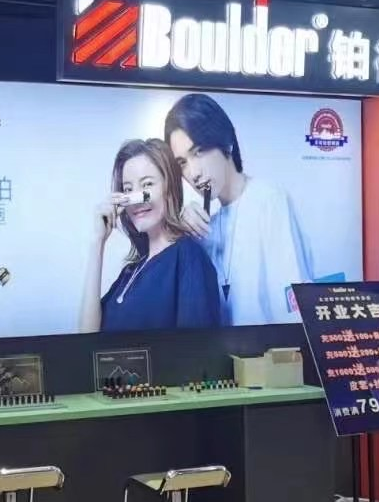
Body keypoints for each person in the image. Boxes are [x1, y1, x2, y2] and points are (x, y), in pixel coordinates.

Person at [163, 93, 312, 325]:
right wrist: (179, 231)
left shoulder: (269, 200)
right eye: (182, 162)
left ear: (226, 143)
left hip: (273, 348)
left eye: (198, 152)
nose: (194, 173)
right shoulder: (205, 226)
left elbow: (295, 310)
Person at [78, 138, 221, 333]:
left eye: (147, 184)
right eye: (128, 189)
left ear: (169, 188)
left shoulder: (188, 256)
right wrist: (97, 242)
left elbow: (196, 347)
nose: (136, 199)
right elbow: (86, 338)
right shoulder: (131, 271)